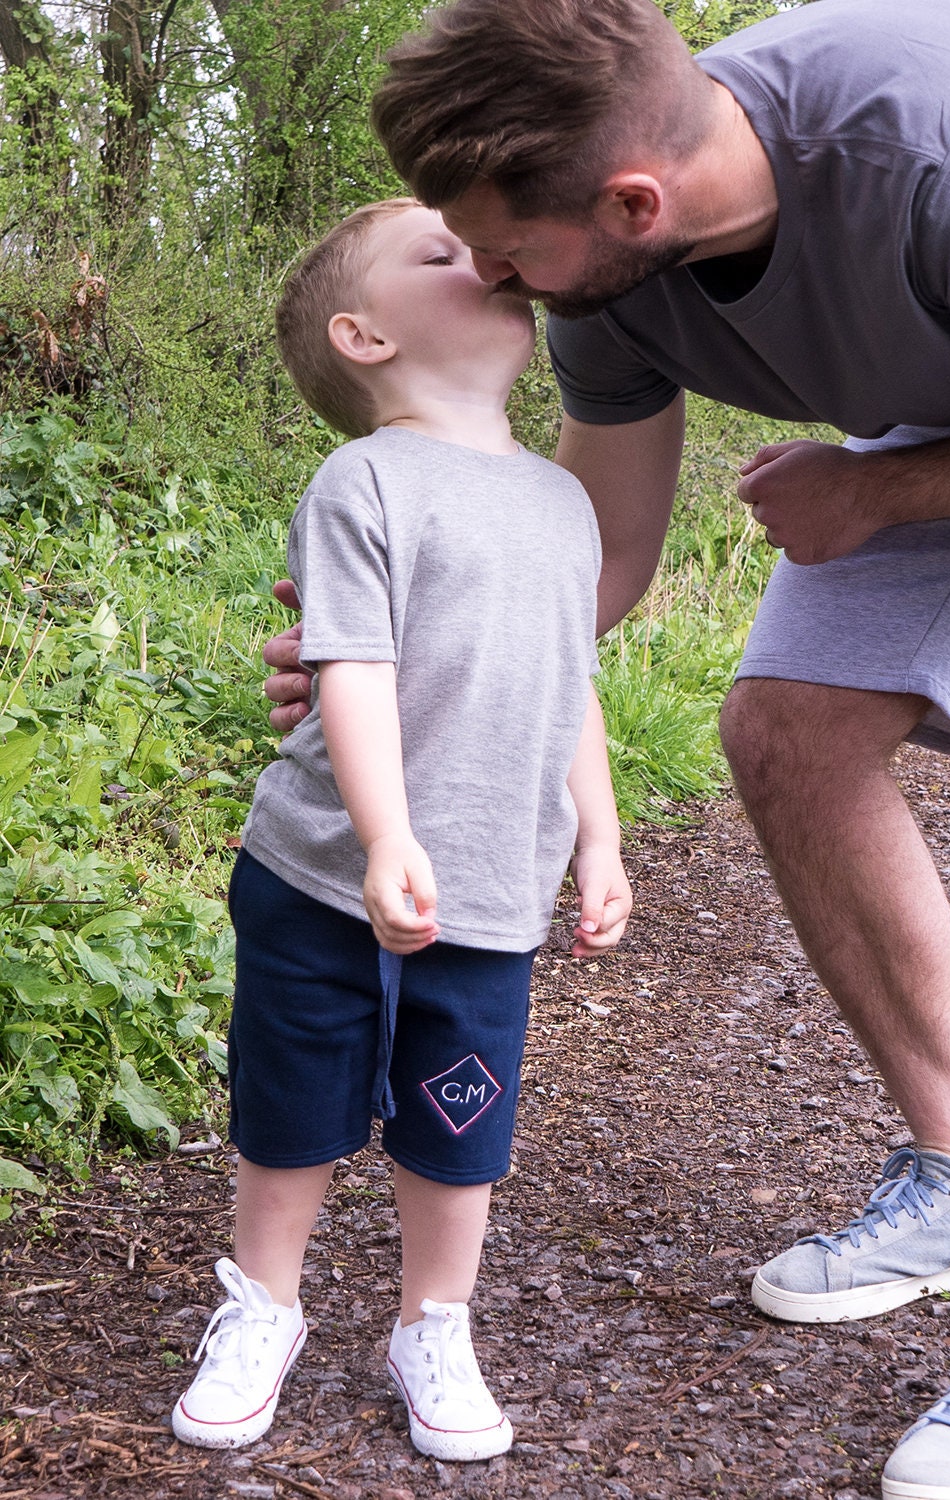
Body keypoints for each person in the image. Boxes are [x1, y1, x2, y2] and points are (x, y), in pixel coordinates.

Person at [263, 0, 950, 1492]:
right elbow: (596, 565)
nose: (491, 279)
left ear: (634, 206)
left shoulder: (942, 148)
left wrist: (873, 495)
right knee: (785, 728)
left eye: (505, 253)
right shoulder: (603, 286)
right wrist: (389, 649)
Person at [177, 198, 631, 1462]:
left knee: (460, 1117)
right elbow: (354, 667)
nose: (483, 257)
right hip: (324, 870)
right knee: (293, 1095)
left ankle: (435, 1324)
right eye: (440, 253)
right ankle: (263, 1306)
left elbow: (571, 685)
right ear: (364, 336)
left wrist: (597, 837)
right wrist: (385, 836)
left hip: (491, 885)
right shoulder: (363, 481)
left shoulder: (563, 502)